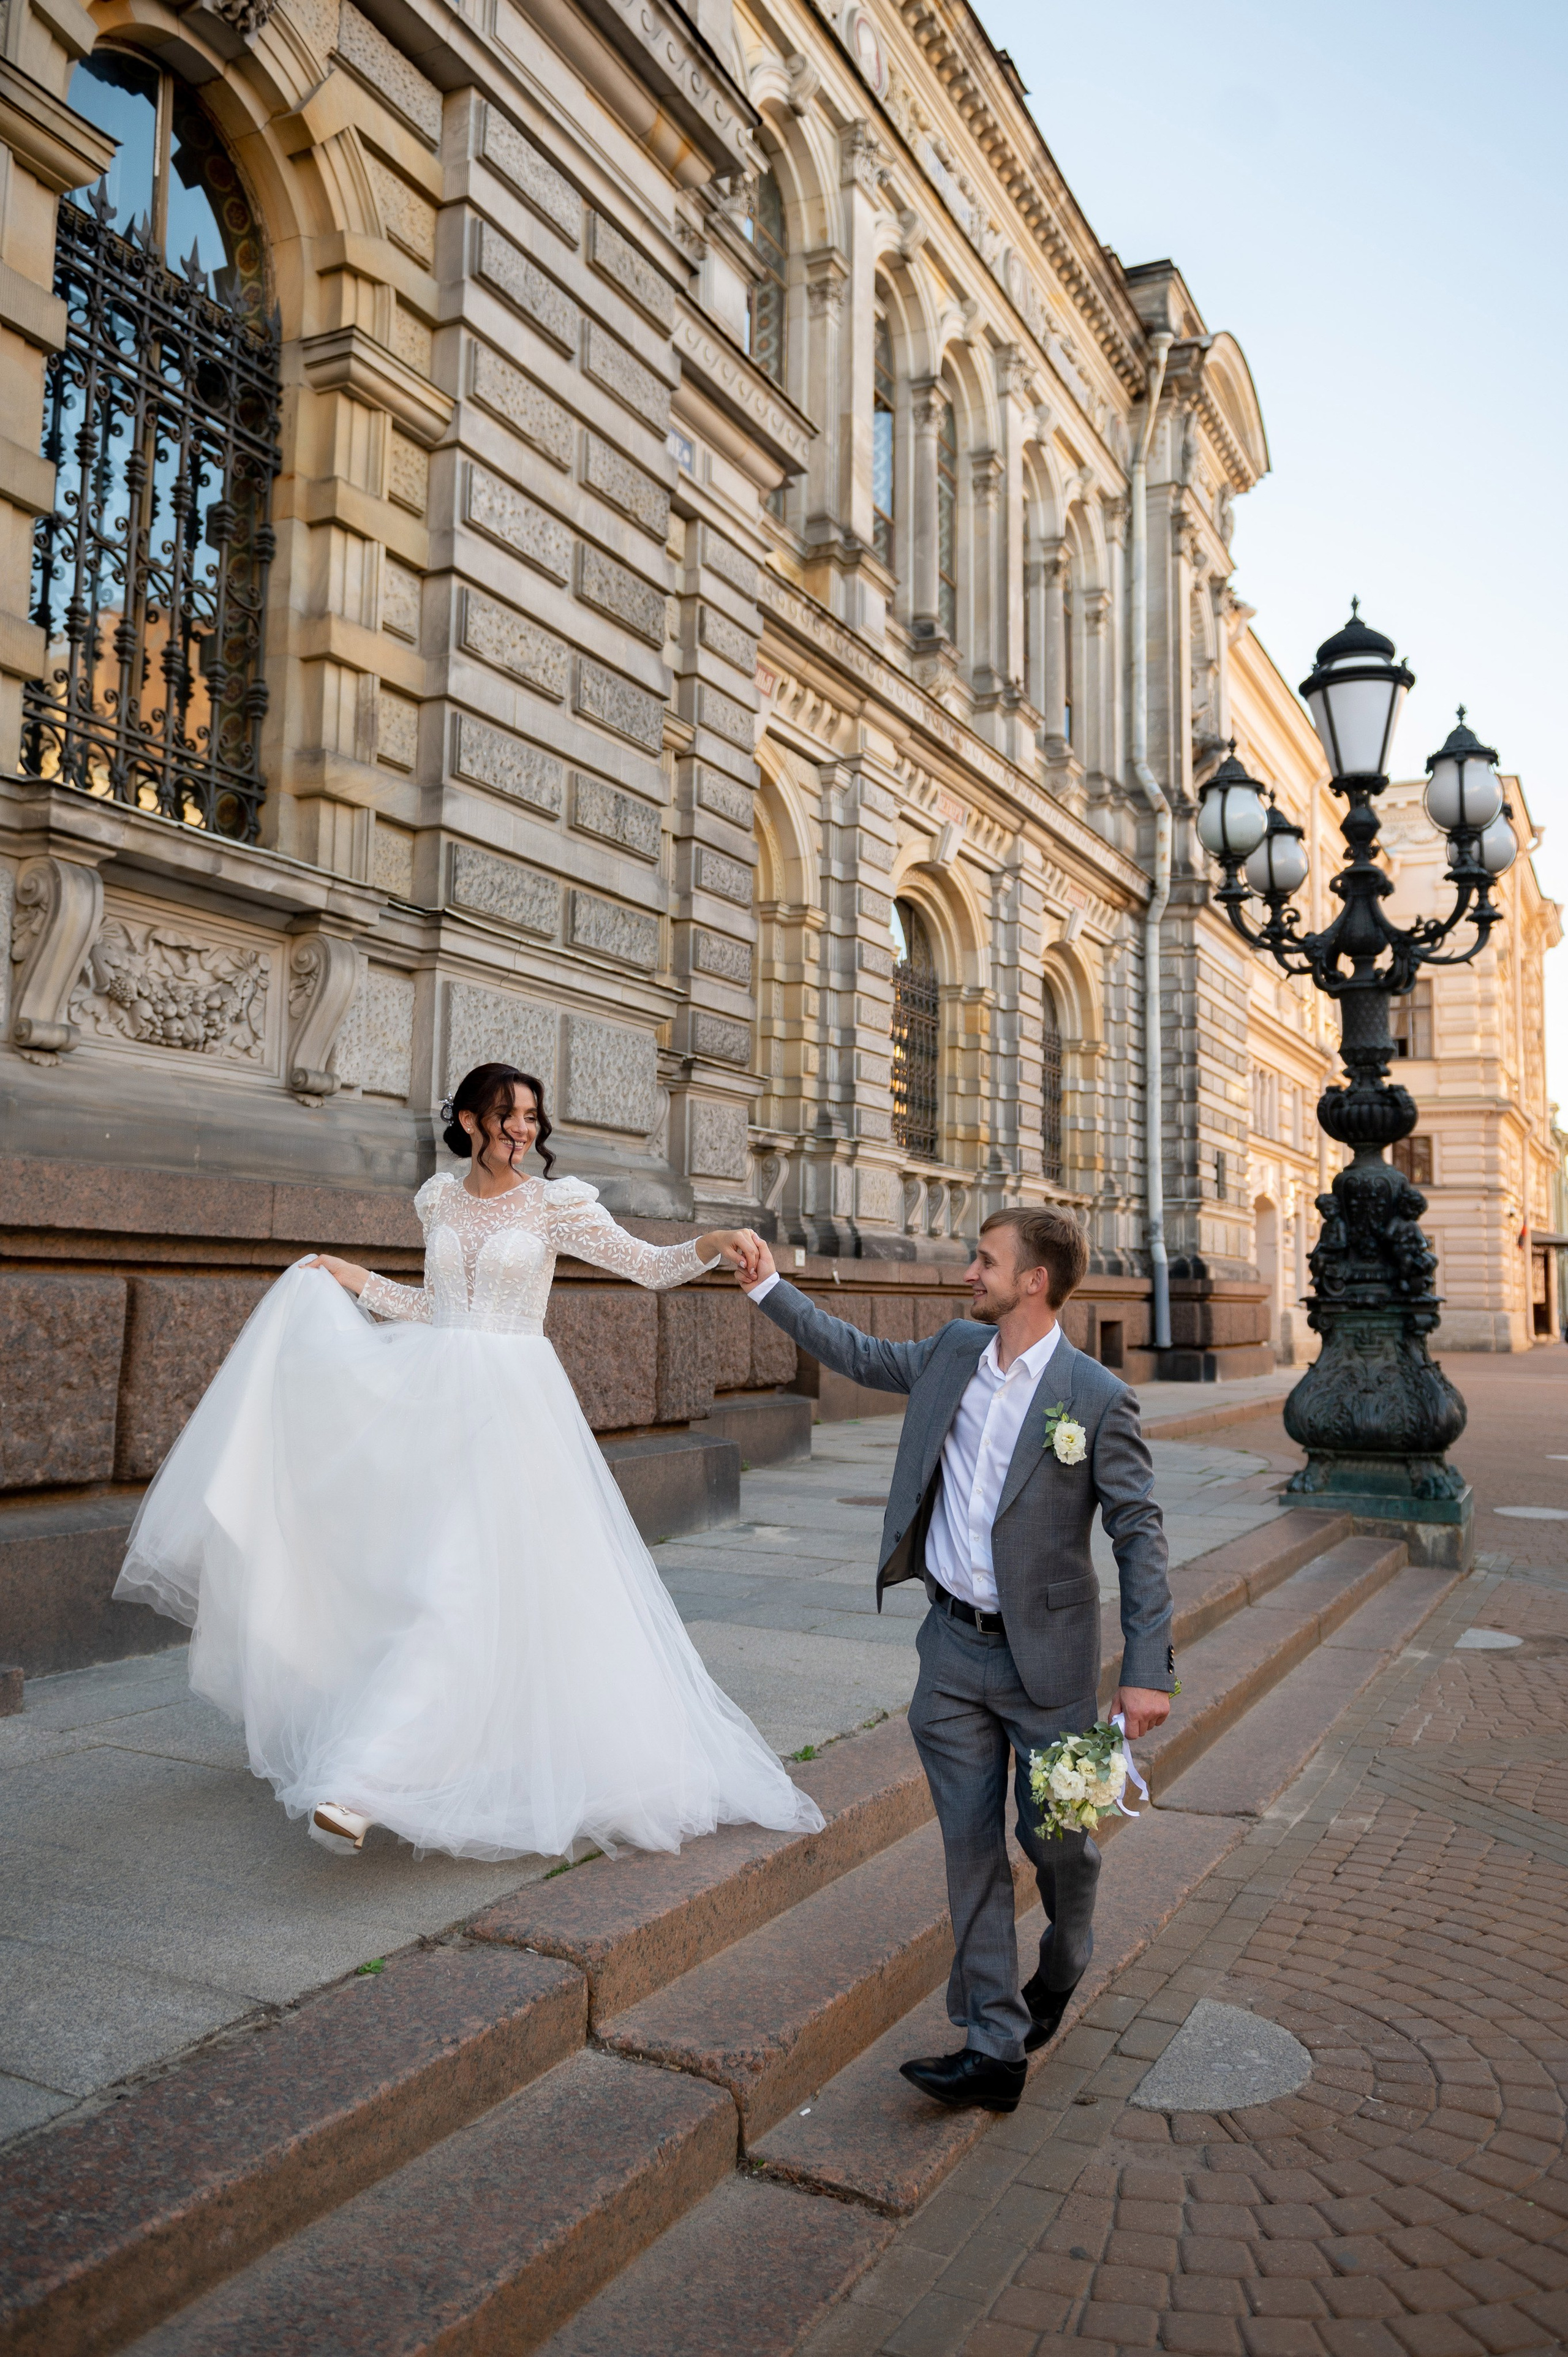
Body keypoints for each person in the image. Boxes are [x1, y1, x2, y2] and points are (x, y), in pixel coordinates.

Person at [115, 1062, 821, 1863]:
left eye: (532, 1117)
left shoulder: (557, 1205)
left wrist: (714, 1241)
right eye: (508, 1115)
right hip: (434, 1405)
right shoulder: (438, 1198)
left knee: (455, 1585)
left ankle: (362, 1784)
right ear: (472, 1121)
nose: (524, 1130)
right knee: (426, 1582)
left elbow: (648, 1266)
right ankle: (412, 1758)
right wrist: (353, 1280)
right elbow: (433, 1307)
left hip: (516, 1415)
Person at [736, 1207, 1173, 2113]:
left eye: (985, 1261)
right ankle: (994, 2047)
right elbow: (856, 1354)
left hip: (1048, 1667)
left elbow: (1138, 1532)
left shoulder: (1093, 1396)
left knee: (1056, 1845)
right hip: (949, 1658)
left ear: (1033, 1282)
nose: (969, 1272)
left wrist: (1147, 1669)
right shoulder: (950, 1354)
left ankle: (1069, 1948)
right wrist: (768, 1285)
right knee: (969, 1851)